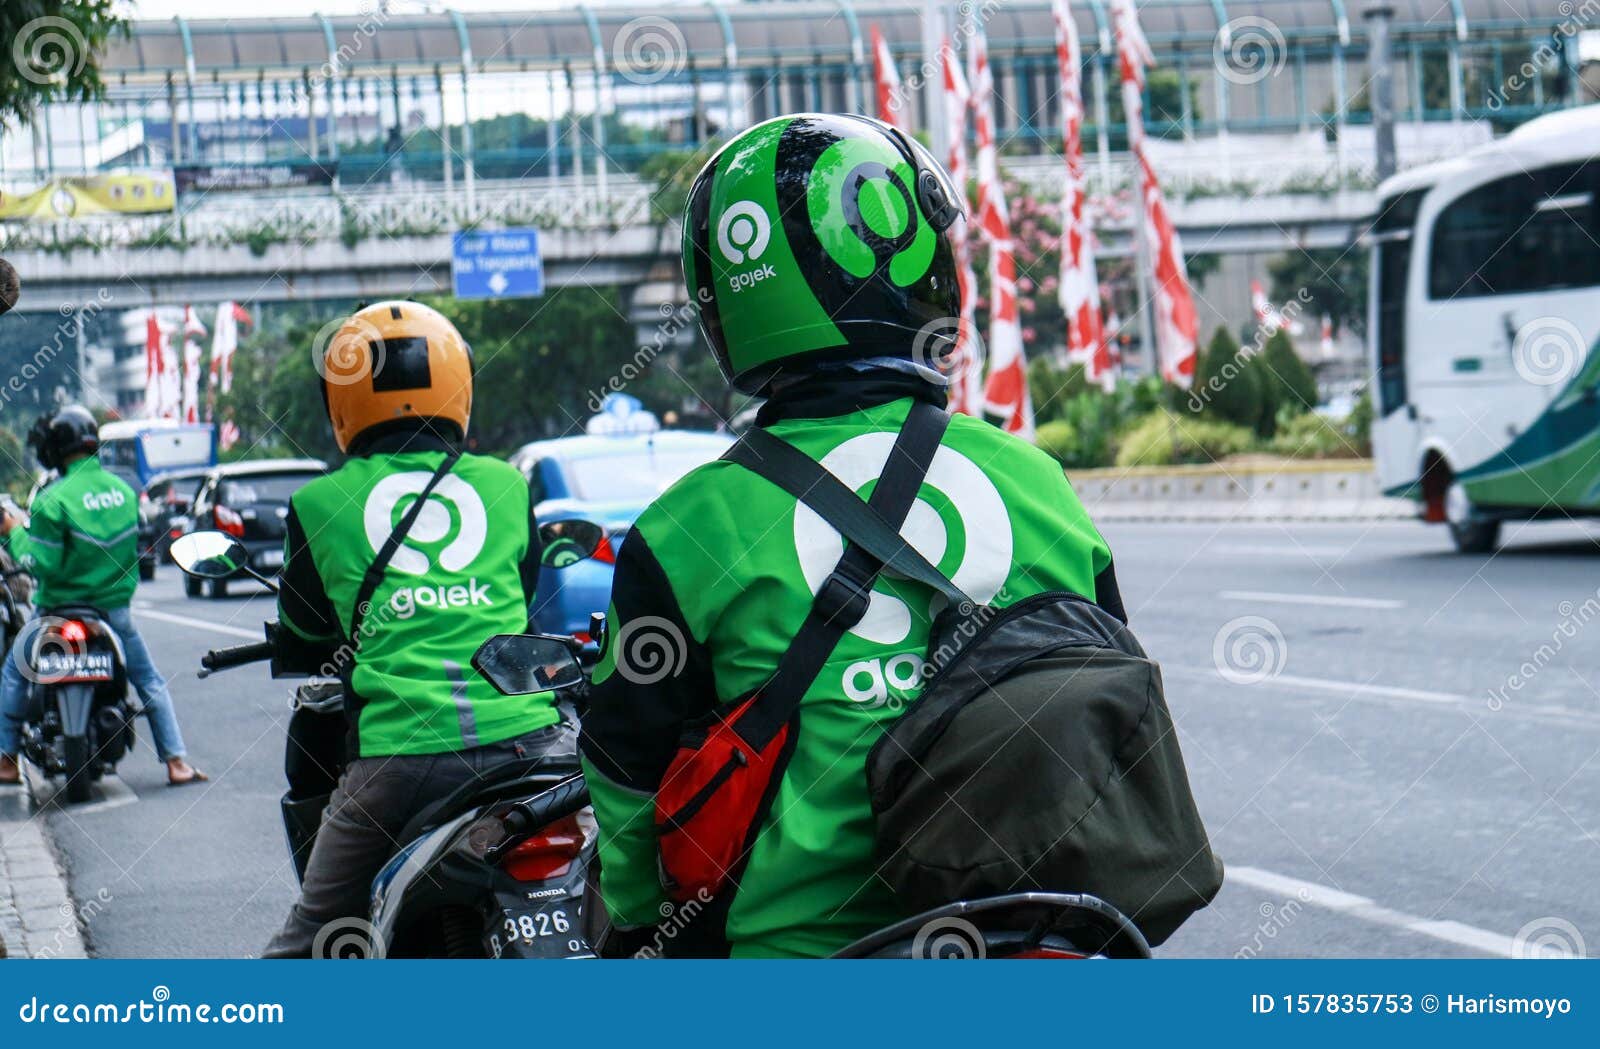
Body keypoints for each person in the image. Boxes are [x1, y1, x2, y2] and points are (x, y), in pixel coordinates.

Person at [579, 114, 1130, 958]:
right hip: (1042, 944)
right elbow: (1115, 705)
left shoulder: (685, 527)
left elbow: (625, 775)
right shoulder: (1037, 481)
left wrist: (637, 924)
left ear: (728, 295)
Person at [263, 300, 572, 957]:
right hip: (533, 746)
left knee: (306, 937)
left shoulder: (317, 503)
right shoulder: (507, 484)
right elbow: (521, 595)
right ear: (458, 385)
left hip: (400, 766)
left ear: (342, 402)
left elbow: (306, 629)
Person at [0, 405, 205, 787]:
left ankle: (8, 760)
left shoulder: (51, 498)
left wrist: (13, 531)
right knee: (147, 679)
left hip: (55, 610)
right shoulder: (124, 493)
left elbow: (38, 562)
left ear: (58, 449)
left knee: (14, 672)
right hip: (113, 611)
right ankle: (176, 762)